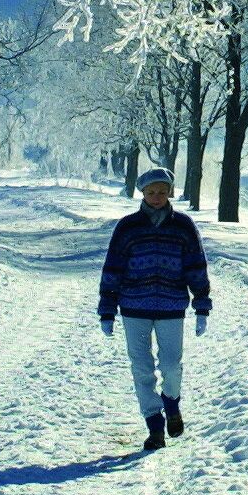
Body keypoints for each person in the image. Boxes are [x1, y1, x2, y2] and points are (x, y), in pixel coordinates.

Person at [98, 167, 212, 450]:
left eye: (162, 191)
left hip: (172, 307)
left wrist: (201, 305)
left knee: (172, 366)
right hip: (134, 307)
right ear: (143, 193)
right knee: (142, 368)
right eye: (151, 192)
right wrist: (107, 309)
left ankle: (171, 405)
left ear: (170, 192)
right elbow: (113, 267)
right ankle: (154, 426)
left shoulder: (183, 226)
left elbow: (196, 266)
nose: (157, 197)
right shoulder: (127, 227)